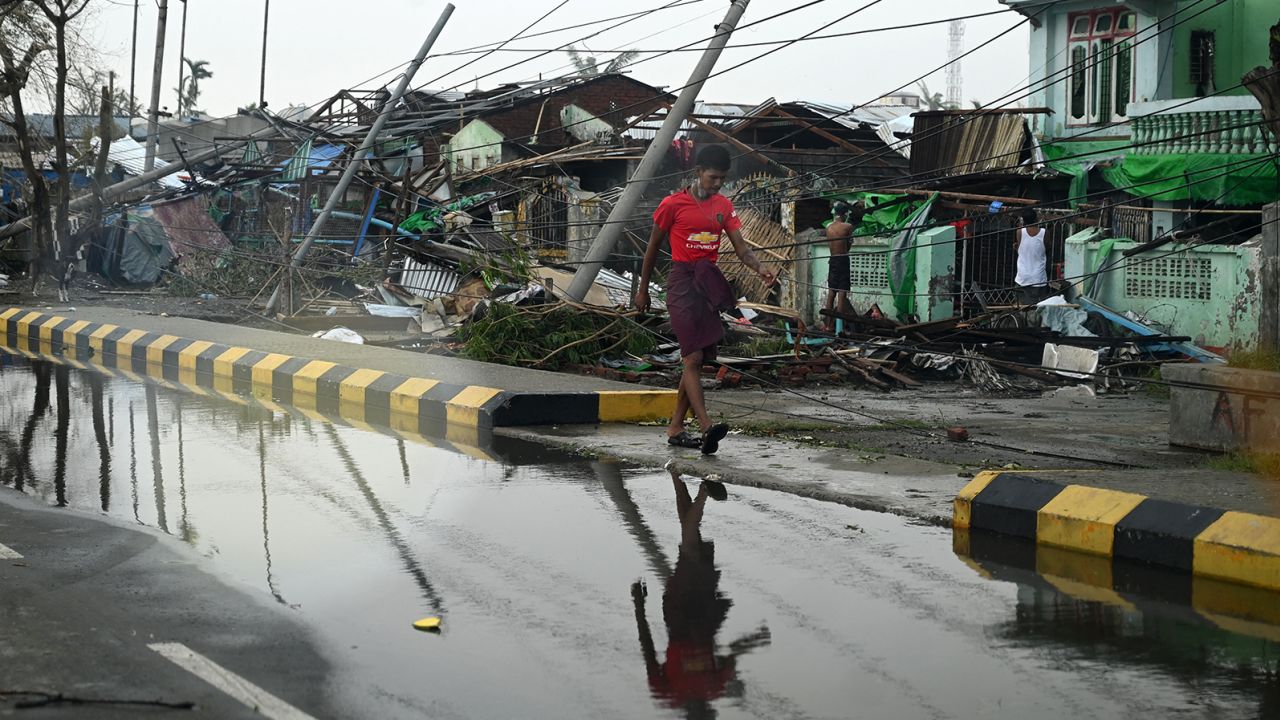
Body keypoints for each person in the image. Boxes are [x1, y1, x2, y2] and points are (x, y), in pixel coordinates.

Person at [634, 144, 775, 455]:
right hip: (682, 282)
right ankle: (706, 426)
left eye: (722, 179)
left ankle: (675, 428)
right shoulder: (672, 204)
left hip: (707, 282)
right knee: (693, 358)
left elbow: (742, 248)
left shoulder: (724, 206)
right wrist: (642, 290)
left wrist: (760, 267)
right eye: (713, 177)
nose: (717, 184)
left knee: (697, 359)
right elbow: (652, 249)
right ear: (698, 172)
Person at [632, 464, 771, 719]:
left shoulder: (668, 692)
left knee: (689, 542)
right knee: (689, 541)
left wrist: (639, 606)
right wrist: (754, 640)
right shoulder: (714, 688)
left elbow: (648, 648)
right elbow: (730, 657)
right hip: (703, 611)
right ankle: (682, 480)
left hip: (681, 611)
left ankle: (701, 489)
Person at [822, 200, 864, 331]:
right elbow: (848, 246)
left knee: (831, 291)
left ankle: (827, 325)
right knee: (842, 292)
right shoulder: (847, 226)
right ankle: (839, 328)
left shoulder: (828, 227)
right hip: (843, 259)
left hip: (832, 259)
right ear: (845, 214)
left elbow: (830, 246)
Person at [1013, 208, 1049, 305]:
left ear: (1023, 220)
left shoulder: (1019, 232)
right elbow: (1046, 249)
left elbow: (1021, 251)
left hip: (1022, 277)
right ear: (1036, 219)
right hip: (1038, 278)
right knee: (1038, 307)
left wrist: (1016, 247)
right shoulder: (1044, 233)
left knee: (1021, 307)